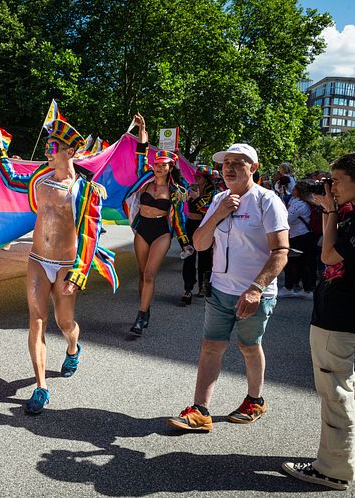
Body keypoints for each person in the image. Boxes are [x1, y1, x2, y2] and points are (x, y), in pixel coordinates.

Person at [0, 116, 114, 415]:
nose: (47, 151)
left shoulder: (86, 191)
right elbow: (11, 178)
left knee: (65, 323)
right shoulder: (39, 180)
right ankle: (41, 387)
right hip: (39, 261)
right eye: (47, 146)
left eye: (53, 146)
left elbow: (90, 235)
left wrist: (79, 274)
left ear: (70, 151)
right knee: (37, 320)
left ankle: (72, 348)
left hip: (68, 265)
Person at [168, 143, 289, 432]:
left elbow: (281, 252)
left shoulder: (267, 201)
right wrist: (219, 212)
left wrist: (256, 289)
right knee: (210, 347)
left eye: (239, 162)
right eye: (226, 163)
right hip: (220, 289)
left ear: (254, 168)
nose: (230, 168)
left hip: (254, 295)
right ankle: (199, 411)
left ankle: (254, 400)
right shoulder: (219, 199)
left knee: (249, 347)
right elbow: (199, 244)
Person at [281, 154, 355, 491]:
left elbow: (327, 256)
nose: (331, 187)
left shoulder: (352, 220)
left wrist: (329, 212)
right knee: (341, 390)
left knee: (336, 392)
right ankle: (338, 458)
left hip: (340, 318)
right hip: (340, 315)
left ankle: (334, 470)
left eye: (337, 180)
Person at [123, 113, 192, 335]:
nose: (158, 168)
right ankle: (146, 307)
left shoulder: (174, 189)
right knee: (142, 274)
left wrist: (184, 242)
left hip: (162, 231)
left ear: (171, 167)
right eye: (156, 165)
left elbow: (181, 213)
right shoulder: (144, 180)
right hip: (142, 229)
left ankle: (140, 317)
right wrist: (142, 128)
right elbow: (140, 154)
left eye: (163, 165)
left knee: (151, 274)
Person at [181, 165, 220, 304]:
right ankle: (188, 289)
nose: (196, 178)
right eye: (195, 176)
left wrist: (197, 198)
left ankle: (204, 286)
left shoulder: (214, 193)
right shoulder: (191, 188)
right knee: (189, 257)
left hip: (205, 227)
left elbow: (208, 211)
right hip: (190, 226)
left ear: (206, 179)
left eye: (199, 177)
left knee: (205, 259)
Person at [278, 184, 317, 299]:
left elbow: (288, 219)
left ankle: (295, 288)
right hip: (296, 235)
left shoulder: (301, 204)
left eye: (295, 189)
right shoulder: (295, 201)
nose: (292, 190)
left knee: (298, 263)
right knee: (298, 263)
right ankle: (300, 288)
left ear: (300, 191)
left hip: (301, 236)